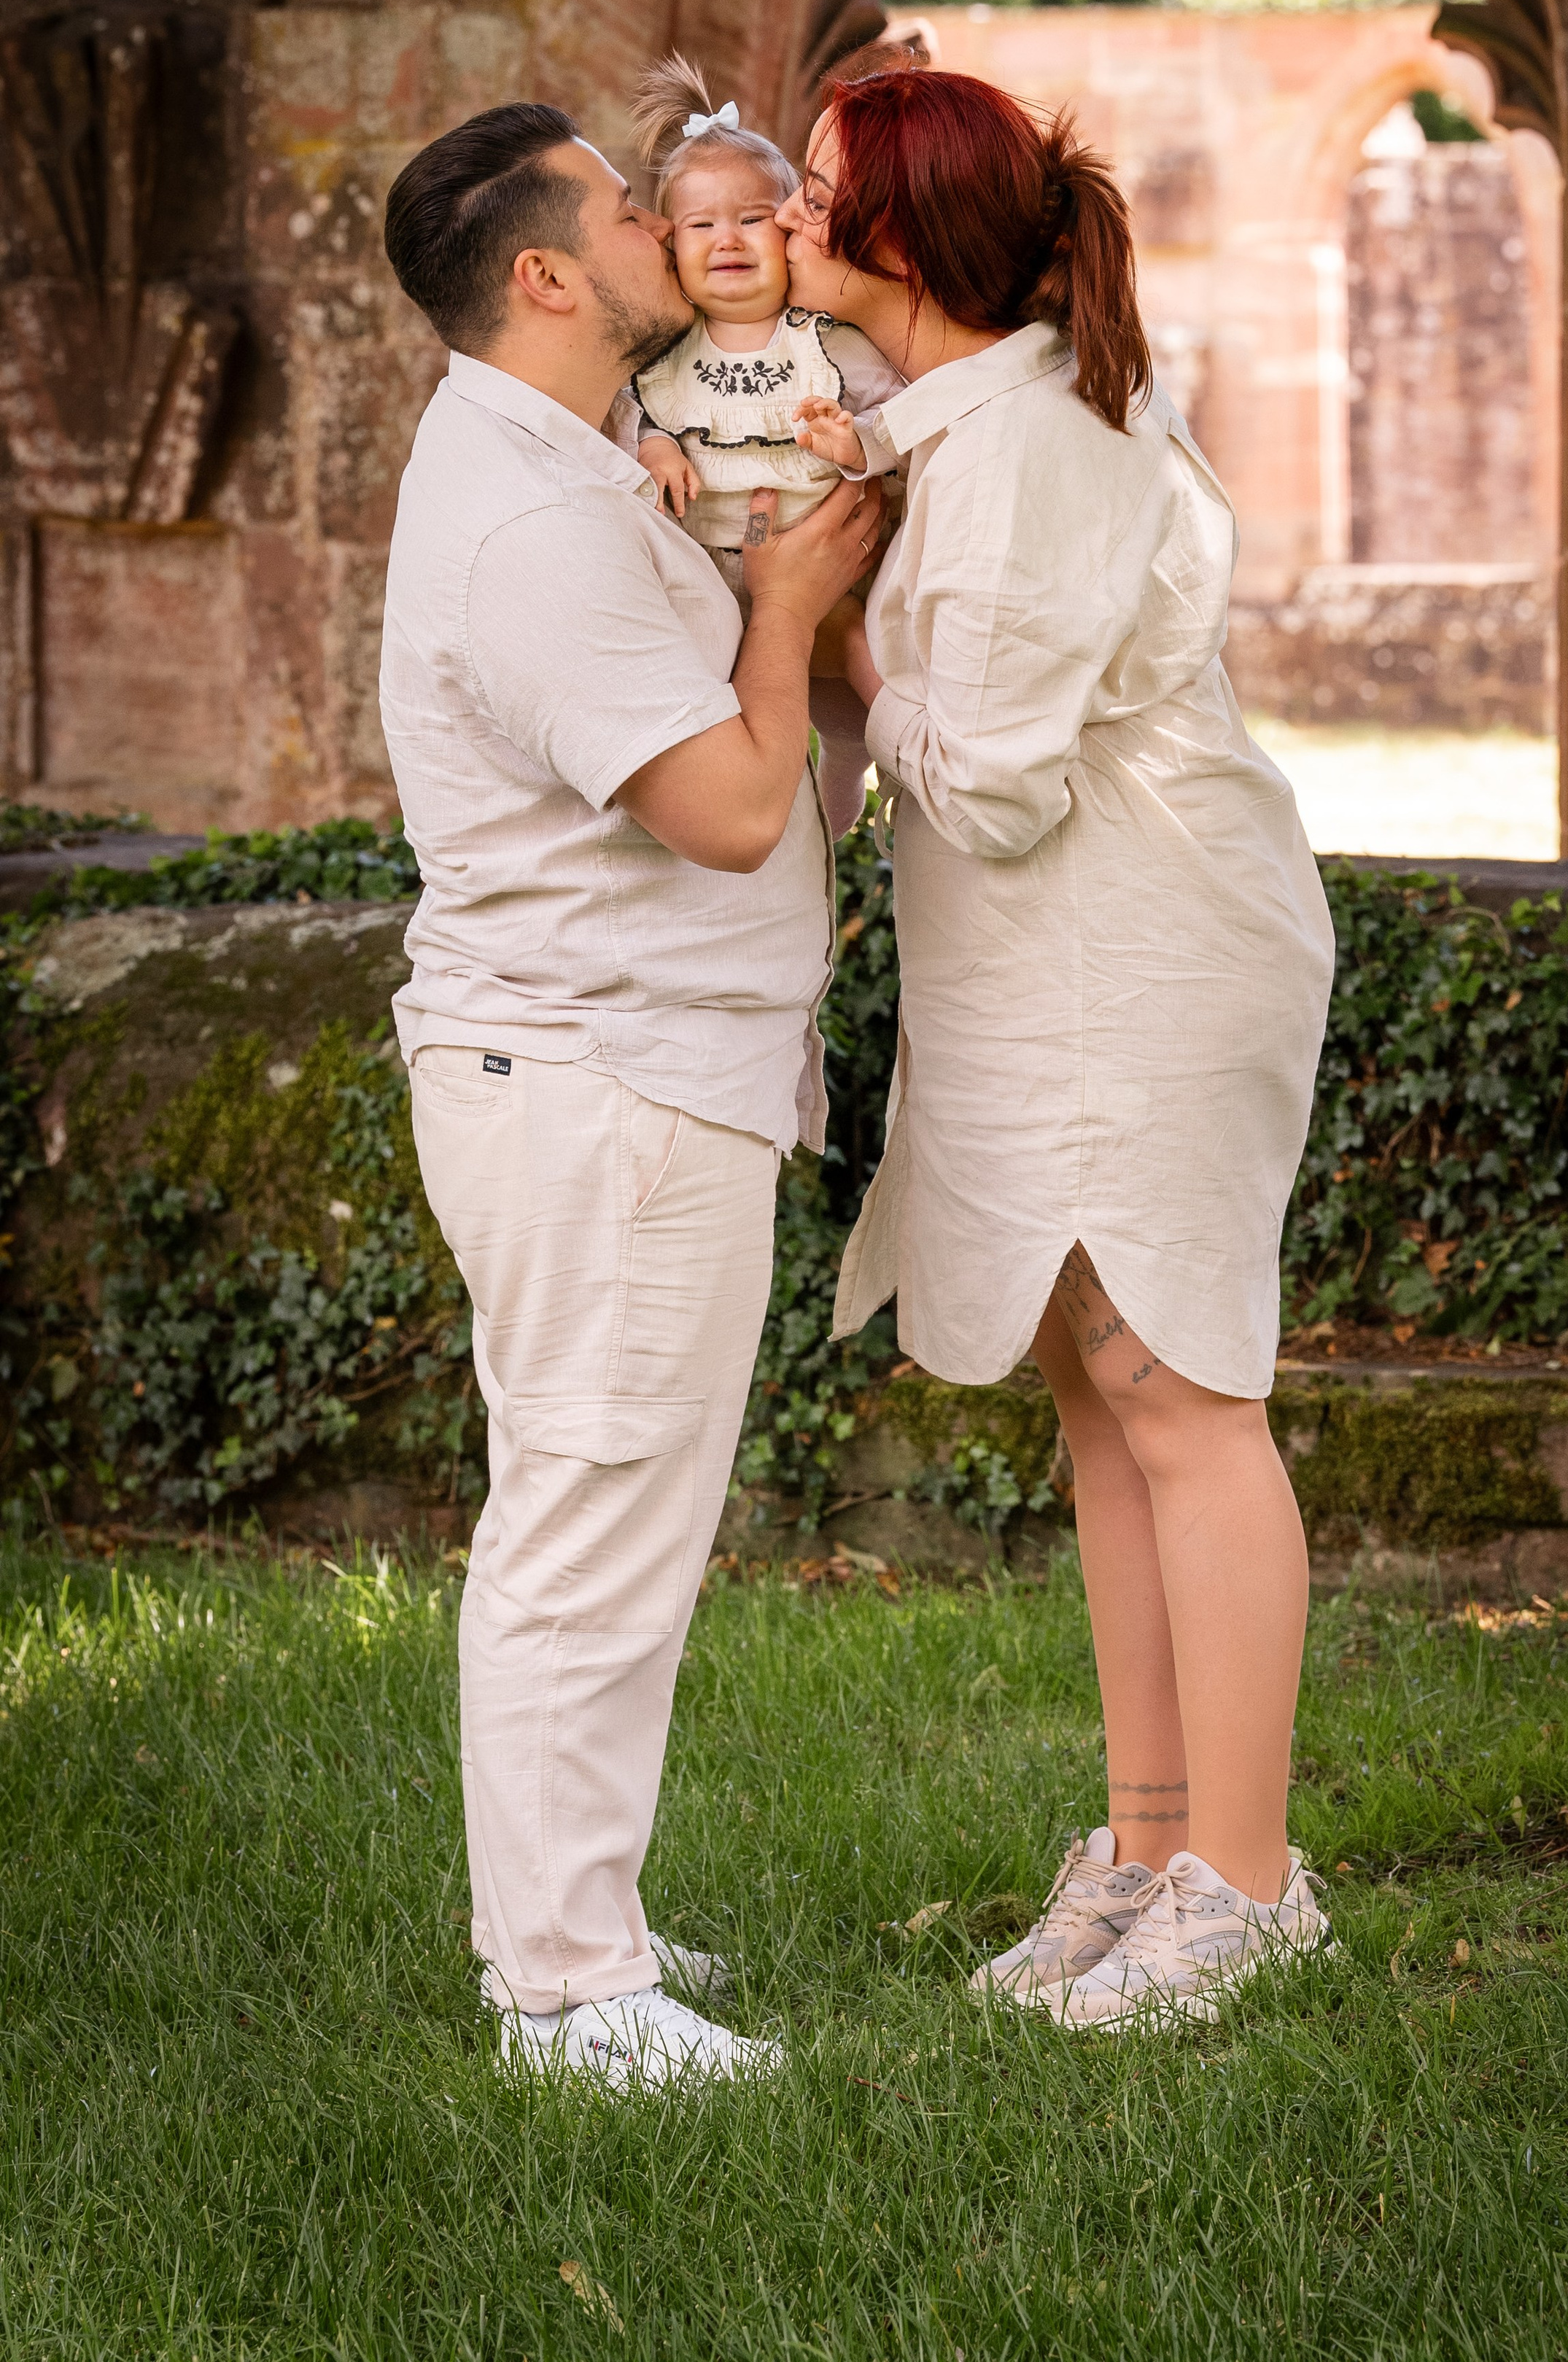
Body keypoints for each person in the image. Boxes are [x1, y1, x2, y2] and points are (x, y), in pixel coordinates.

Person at [780, 67, 1339, 2029]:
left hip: (1145, 955)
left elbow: (1000, 782)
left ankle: (1248, 1886)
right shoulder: (962, 424)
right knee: (1100, 1402)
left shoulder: (1030, 445)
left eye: (816, 187)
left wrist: (842, 651)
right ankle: (1147, 1849)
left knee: (1178, 1390)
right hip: (1044, 967)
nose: (787, 212)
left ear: (900, 233)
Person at [378, 101, 881, 2088]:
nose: (667, 217)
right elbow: (733, 808)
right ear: (545, 275)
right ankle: (567, 1994)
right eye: (619, 204)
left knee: (615, 1510)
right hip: (599, 1077)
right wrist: (788, 607)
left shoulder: (566, 463)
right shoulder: (531, 522)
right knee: (587, 1517)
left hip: (626, 1067)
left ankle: (578, 1915)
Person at [619, 54, 901, 836]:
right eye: (701, 225)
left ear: (788, 231)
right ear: (670, 247)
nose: (728, 240)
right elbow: (633, 414)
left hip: (831, 566)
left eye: (752, 219)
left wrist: (857, 443)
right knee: (739, 706)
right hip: (711, 579)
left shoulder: (826, 341)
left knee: (855, 679)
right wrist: (653, 449)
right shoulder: (663, 354)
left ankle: (873, 760)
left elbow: (901, 415)